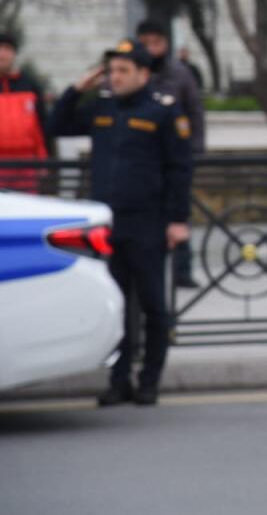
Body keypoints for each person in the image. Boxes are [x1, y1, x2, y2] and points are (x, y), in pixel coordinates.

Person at [49, 39, 193, 407]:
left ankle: (149, 380)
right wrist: (77, 88)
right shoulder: (102, 108)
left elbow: (179, 169)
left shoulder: (163, 111)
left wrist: (178, 220)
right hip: (106, 224)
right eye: (111, 71)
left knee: (152, 305)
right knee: (114, 305)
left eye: (122, 71)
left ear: (144, 74)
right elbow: (57, 125)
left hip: (147, 222)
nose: (114, 78)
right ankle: (118, 380)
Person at [136, 19, 206, 288]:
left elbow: (195, 112)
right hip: (144, 158)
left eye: (157, 43)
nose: (152, 49)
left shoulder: (180, 74)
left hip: (175, 156)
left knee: (179, 211)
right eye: (146, 43)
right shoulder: (134, 72)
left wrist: (196, 149)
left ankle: (182, 270)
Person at [0, 31, 48, 193]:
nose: (2, 54)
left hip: (27, 164)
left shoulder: (29, 85)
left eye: (6, 49)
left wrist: (43, 159)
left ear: (14, 54)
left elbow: (41, 125)